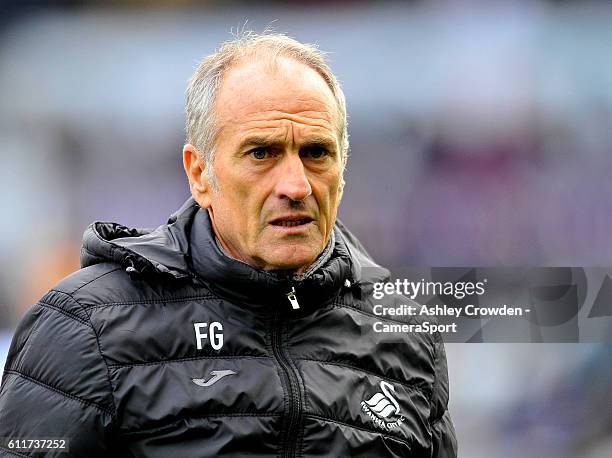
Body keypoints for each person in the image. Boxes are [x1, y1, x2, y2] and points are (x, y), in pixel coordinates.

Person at [0, 31, 457, 457]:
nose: (296, 185)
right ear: (199, 173)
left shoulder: (407, 337)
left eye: (316, 152)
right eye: (262, 153)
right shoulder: (87, 328)